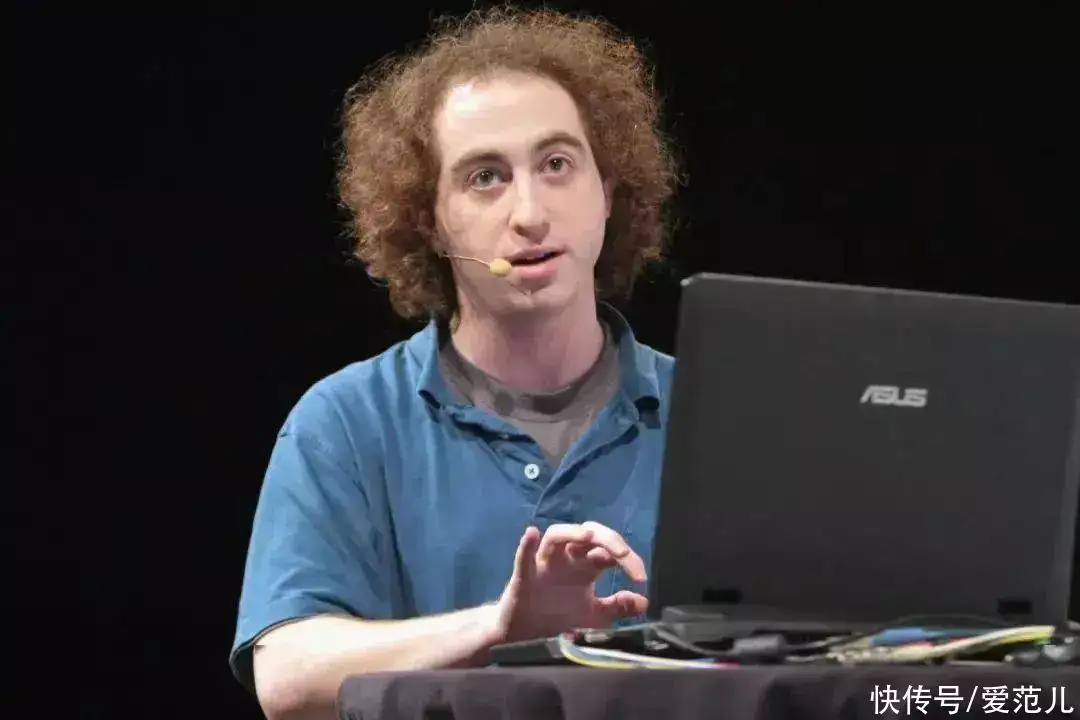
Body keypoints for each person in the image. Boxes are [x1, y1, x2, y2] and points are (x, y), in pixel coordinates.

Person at [230, 6, 681, 719]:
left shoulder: (712, 411)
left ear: (606, 191)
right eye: (485, 177)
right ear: (430, 222)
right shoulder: (346, 422)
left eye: (557, 164)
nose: (530, 213)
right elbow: (286, 675)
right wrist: (501, 627)